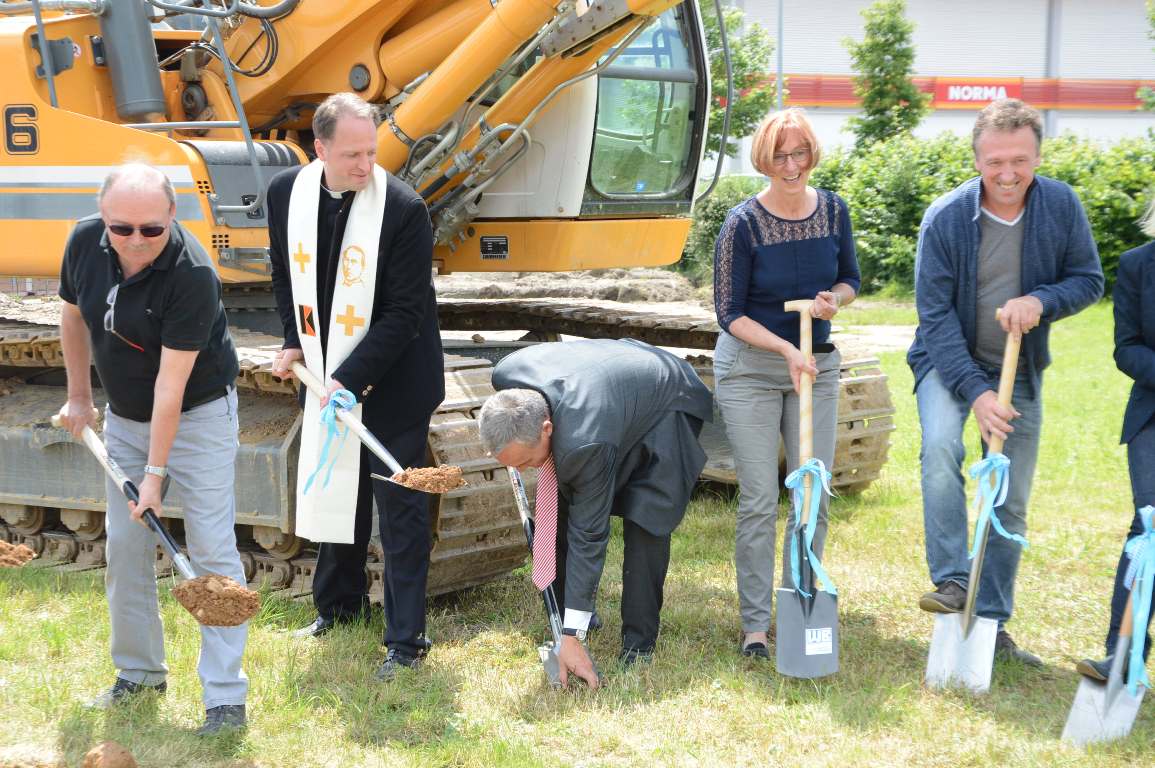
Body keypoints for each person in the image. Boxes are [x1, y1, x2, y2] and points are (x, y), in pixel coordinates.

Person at [909, 99, 1104, 664]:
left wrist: (1041, 299)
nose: (1008, 173)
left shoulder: (1061, 207)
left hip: (1018, 367)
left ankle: (991, 620)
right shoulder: (945, 218)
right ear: (976, 161)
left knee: (1010, 497)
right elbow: (935, 317)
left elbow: (1088, 280)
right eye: (995, 161)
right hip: (948, 365)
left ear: (1038, 155)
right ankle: (952, 582)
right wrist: (976, 392)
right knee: (941, 447)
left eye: (1020, 160)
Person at [56, 163, 248, 735]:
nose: (137, 241)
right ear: (104, 220)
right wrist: (78, 396)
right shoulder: (83, 242)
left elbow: (172, 388)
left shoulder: (191, 274)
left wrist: (156, 474)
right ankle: (138, 674)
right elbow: (72, 315)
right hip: (125, 418)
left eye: (151, 229)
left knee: (212, 551)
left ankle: (224, 697)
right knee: (126, 548)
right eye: (122, 229)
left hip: (199, 416)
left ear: (172, 218)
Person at [267, 92, 444, 680]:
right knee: (336, 491)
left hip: (395, 381)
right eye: (350, 155)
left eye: (371, 152)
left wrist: (346, 379)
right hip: (323, 372)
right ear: (318, 148)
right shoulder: (284, 196)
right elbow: (285, 274)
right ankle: (336, 610)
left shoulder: (403, 208)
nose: (365, 166)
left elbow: (404, 313)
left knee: (400, 511)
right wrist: (294, 339)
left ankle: (405, 640)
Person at [712, 107, 860, 660]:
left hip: (814, 368)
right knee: (758, 497)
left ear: (811, 154)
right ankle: (755, 624)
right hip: (750, 369)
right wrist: (784, 348)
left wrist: (834, 301)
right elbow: (728, 312)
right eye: (780, 155)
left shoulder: (835, 210)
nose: (791, 165)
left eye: (799, 153)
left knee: (811, 494)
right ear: (764, 160)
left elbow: (851, 279)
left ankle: (801, 598)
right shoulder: (742, 224)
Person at [479, 338, 712, 688]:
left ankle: (638, 644)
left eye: (528, 461)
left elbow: (589, 534)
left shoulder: (582, 441)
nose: (527, 470)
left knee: (647, 518)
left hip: (668, 397)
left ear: (547, 428)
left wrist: (572, 636)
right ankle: (577, 620)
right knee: (557, 508)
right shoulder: (506, 376)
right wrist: (574, 625)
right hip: (609, 391)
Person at [1076, 199, 1155, 681]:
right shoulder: (1136, 265)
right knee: (1150, 528)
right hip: (1153, 412)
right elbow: (1126, 349)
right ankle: (1123, 654)